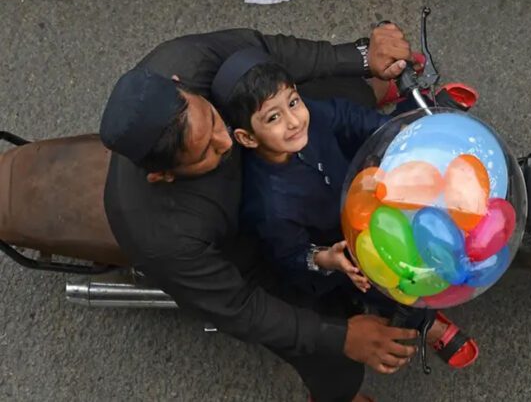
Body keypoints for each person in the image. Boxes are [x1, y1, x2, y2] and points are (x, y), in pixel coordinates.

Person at [100, 27, 423, 402]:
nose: (226, 143)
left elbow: (264, 50)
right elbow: (241, 307)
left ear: (180, 85)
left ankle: (367, 91)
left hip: (264, 144)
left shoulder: (183, 60)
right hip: (241, 249)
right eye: (205, 151)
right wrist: (341, 337)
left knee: (335, 98)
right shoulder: (166, 238)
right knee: (332, 359)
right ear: (163, 176)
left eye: (213, 121)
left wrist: (360, 58)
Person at [213, 52, 480, 370]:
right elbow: (291, 254)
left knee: (401, 135)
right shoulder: (270, 205)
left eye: (293, 102)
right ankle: (423, 320)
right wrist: (327, 258)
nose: (294, 120)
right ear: (247, 137)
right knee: (379, 278)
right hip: (344, 238)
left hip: (368, 179)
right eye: (273, 118)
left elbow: (349, 118)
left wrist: (399, 139)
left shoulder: (312, 117)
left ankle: (416, 110)